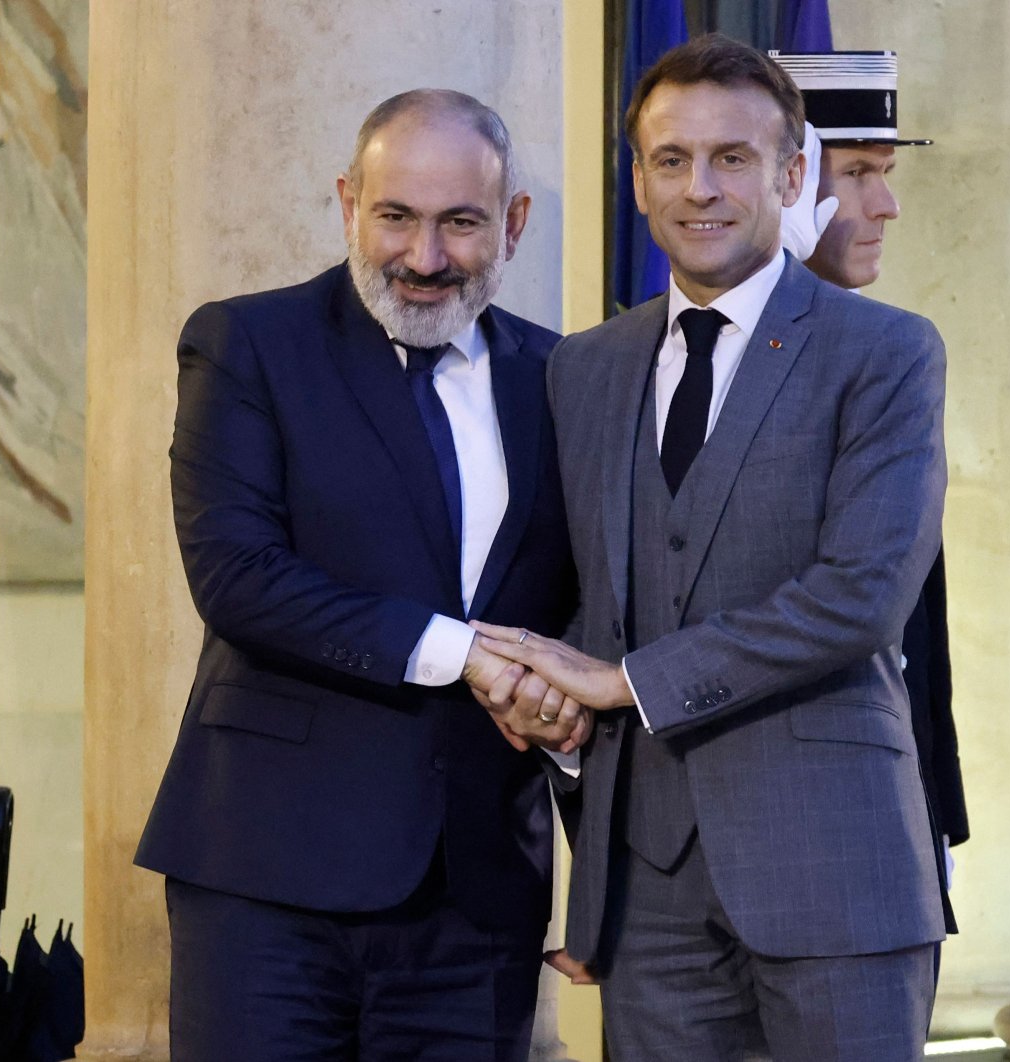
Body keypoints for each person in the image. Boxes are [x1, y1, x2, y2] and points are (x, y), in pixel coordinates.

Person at [473, 34, 949, 1059]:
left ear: (789, 175)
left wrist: (625, 682)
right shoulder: (582, 370)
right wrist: (547, 707)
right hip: (646, 898)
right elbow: (572, 597)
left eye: (732, 158)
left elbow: (858, 595)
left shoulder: (885, 353)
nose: (701, 188)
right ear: (638, 181)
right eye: (671, 160)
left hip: (834, 871)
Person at [134, 89, 583, 1061]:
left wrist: (585, 778)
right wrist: (464, 654)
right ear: (348, 205)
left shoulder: (565, 382)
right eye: (396, 217)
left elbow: (586, 625)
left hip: (479, 899)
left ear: (513, 224)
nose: (423, 259)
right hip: (267, 883)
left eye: (460, 223)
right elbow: (238, 575)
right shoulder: (248, 345)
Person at [775, 49, 971, 884]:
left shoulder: (891, 354)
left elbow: (914, 617)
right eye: (855, 172)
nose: (887, 205)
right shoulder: (673, 362)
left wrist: (935, 811)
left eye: (884, 172)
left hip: (886, 809)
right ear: (787, 183)